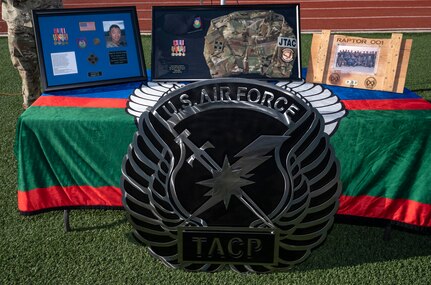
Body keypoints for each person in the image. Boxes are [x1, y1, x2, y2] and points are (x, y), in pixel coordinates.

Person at [1, 0, 63, 109]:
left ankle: (60, 112)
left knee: (59, 68)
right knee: (28, 73)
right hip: (21, 21)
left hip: (51, 18)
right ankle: (32, 113)